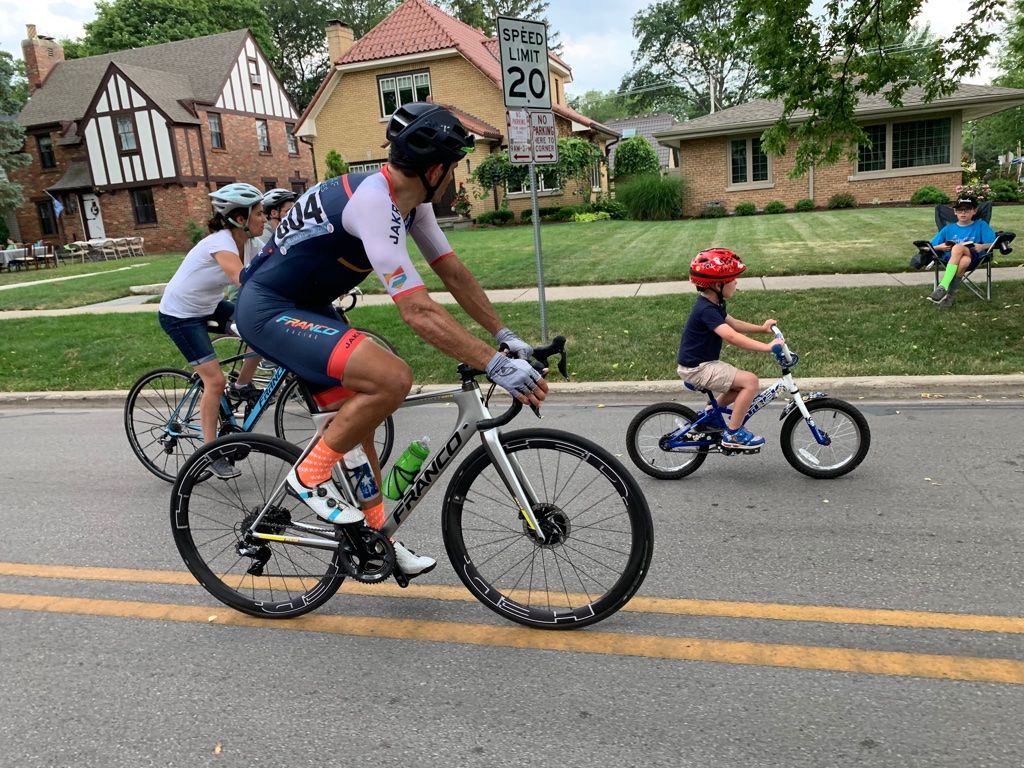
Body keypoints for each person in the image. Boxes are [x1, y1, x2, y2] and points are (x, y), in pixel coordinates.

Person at [235, 102, 546, 579]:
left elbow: (452, 271)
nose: (456, 178)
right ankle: (307, 475)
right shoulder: (376, 203)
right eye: (457, 167)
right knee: (392, 377)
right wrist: (495, 364)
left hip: (309, 306)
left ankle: (378, 540)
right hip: (268, 310)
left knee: (359, 431)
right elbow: (418, 311)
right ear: (437, 168)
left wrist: (503, 335)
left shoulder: (411, 203)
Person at [158, 182, 266, 479]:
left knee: (259, 330)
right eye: (258, 213)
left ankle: (242, 386)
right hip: (180, 315)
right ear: (239, 219)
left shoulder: (251, 243)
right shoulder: (220, 242)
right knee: (214, 382)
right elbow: (241, 277)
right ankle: (210, 452)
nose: (264, 218)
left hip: (209, 305)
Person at [676, 248, 781, 451]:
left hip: (701, 364)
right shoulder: (706, 310)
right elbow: (731, 336)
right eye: (732, 279)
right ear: (718, 284)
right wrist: (768, 348)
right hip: (697, 369)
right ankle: (733, 434)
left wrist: (762, 329)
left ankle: (710, 418)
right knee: (750, 381)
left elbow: (734, 324)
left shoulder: (714, 304)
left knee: (738, 385)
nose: (736, 282)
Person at [926, 194, 997, 308]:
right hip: (954, 260)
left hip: (975, 256)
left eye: (967, 209)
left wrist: (982, 246)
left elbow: (995, 243)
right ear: (955, 212)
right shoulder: (948, 228)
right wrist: (941, 247)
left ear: (974, 211)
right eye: (959, 210)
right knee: (964, 261)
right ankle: (949, 296)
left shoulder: (980, 225)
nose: (963, 213)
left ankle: (943, 286)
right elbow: (928, 246)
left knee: (958, 247)